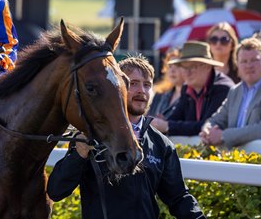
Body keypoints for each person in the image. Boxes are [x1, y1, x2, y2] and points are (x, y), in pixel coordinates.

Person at [47, 55, 206, 219]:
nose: (141, 91)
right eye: (133, 83)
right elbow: (56, 191)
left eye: (147, 85)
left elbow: (178, 198)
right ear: (118, 88)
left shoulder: (161, 144)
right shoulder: (90, 136)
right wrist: (79, 155)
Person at [199, 37, 261, 148]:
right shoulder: (235, 91)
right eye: (244, 61)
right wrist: (207, 130)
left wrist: (223, 136)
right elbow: (216, 119)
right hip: (234, 160)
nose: (249, 65)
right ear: (237, 64)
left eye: (254, 60)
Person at [151, 41, 235, 136]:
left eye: (192, 67)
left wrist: (167, 125)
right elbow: (176, 118)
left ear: (207, 66)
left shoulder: (223, 88)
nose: (187, 72)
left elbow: (207, 126)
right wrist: (162, 122)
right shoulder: (186, 87)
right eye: (183, 67)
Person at [148, 47, 184, 119]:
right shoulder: (160, 94)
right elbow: (149, 118)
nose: (172, 70)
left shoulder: (191, 97)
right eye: (170, 66)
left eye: (177, 66)